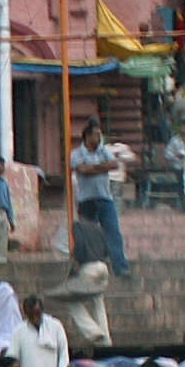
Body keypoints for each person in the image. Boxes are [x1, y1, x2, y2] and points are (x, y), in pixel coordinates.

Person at [45, 203, 114, 346]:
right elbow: (107, 249)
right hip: (102, 267)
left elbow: (80, 244)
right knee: (98, 302)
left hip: (88, 268)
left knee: (71, 300)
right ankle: (105, 340)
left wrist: (76, 259)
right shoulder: (99, 228)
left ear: (80, 213)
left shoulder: (78, 226)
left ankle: (93, 332)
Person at [69, 119, 128, 277]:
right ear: (87, 137)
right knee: (86, 236)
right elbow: (83, 170)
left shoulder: (103, 151)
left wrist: (94, 168)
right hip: (87, 201)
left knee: (113, 233)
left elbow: (114, 165)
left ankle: (120, 268)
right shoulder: (76, 153)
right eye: (96, 135)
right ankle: (82, 269)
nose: (99, 138)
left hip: (105, 199)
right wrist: (101, 168)